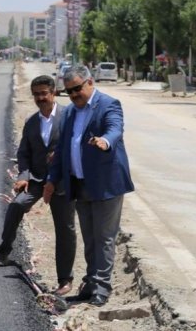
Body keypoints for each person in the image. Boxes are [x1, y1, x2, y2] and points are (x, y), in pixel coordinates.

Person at [44, 65, 134, 307]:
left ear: (90, 83)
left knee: (104, 237)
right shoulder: (71, 113)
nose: (74, 95)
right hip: (80, 184)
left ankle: (102, 288)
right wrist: (52, 180)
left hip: (106, 184)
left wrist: (105, 141)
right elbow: (62, 150)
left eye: (77, 89)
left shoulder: (109, 104)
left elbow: (115, 129)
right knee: (90, 237)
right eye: (69, 92)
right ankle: (91, 283)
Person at [0, 75, 77, 296]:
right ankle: (4, 251)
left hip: (62, 182)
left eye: (44, 94)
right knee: (17, 205)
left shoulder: (69, 116)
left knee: (65, 228)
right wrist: (24, 175)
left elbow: (76, 146)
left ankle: (65, 280)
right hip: (37, 180)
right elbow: (24, 153)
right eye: (36, 94)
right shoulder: (31, 123)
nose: (40, 98)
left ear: (53, 93)